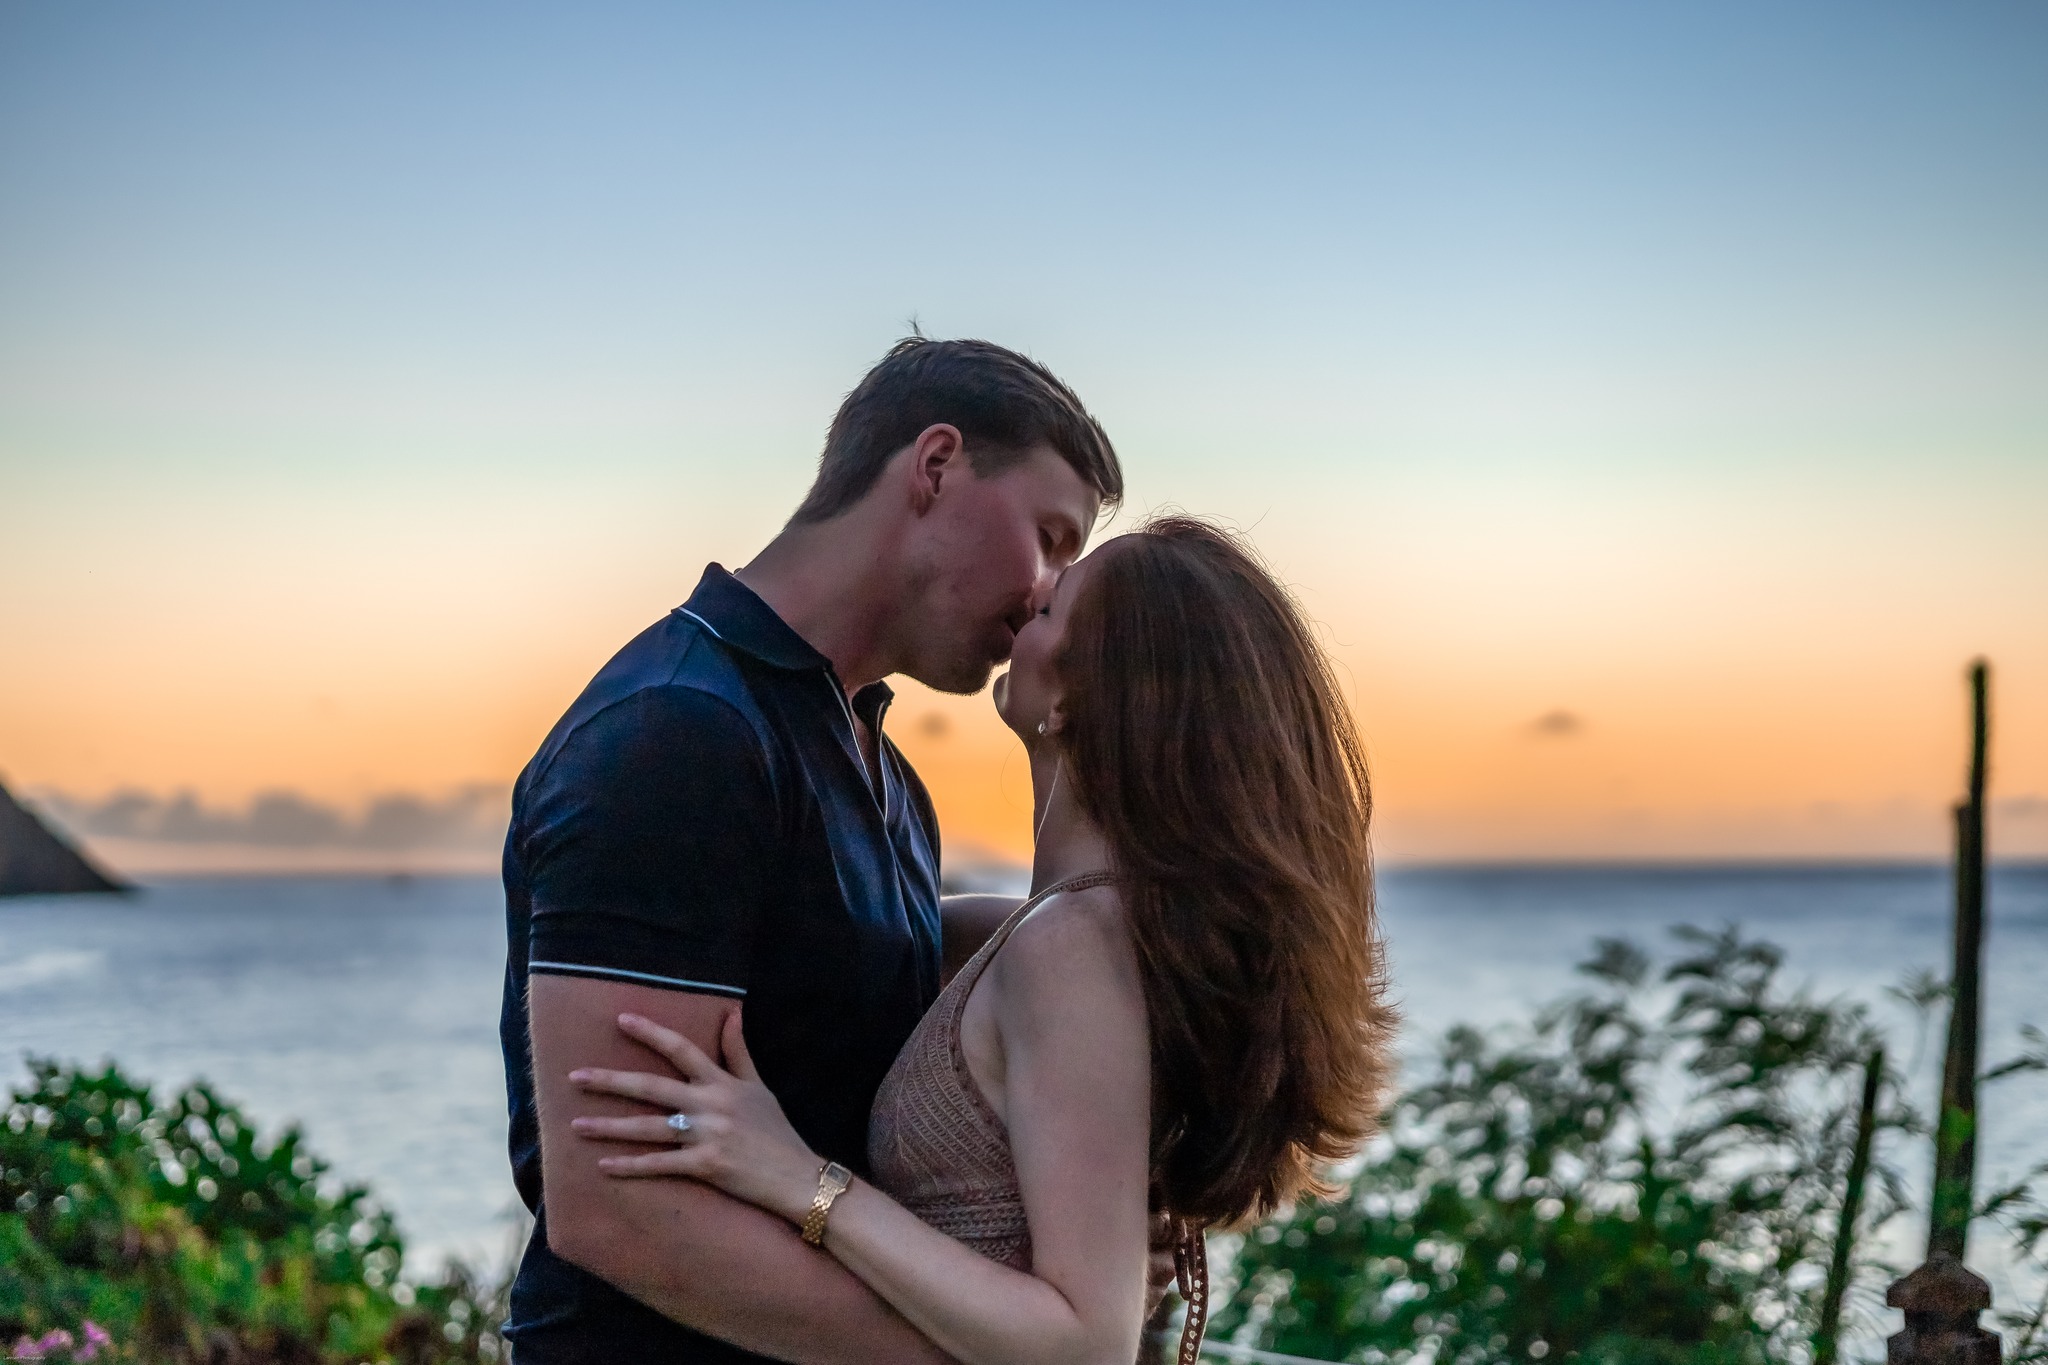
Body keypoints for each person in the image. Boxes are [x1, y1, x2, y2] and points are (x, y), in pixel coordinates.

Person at [569, 516, 1399, 1365]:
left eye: (1055, 608)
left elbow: (1084, 1343)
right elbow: (882, 930)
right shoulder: (1063, 930)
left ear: (1085, 695)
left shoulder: (1073, 946)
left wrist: (796, 1176)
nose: (1033, 592)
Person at [499, 336, 1126, 1362]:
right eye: (1048, 536)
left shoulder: (873, 764)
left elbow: (859, 979)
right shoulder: (679, 733)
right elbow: (620, 1213)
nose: (1044, 593)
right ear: (934, 466)